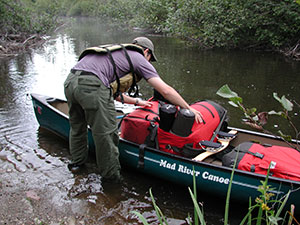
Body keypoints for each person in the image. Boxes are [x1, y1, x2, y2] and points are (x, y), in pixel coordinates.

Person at [64, 36, 203, 181]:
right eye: (150, 58)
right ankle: (111, 179)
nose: (148, 62)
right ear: (147, 52)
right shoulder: (139, 58)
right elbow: (166, 91)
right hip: (91, 88)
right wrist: (188, 108)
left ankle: (77, 165)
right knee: (106, 134)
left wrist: (137, 102)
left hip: (71, 82)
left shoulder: (117, 53)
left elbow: (110, 91)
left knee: (77, 127)